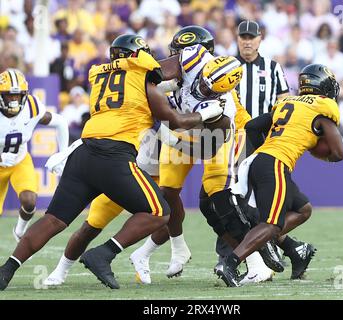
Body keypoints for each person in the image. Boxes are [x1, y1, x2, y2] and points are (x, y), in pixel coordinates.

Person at [0, 34, 224, 291]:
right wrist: (209, 110)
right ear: (136, 56)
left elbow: (148, 97)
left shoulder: (99, 76)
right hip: (114, 156)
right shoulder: (141, 76)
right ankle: (103, 254)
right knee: (160, 212)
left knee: (53, 219)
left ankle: (7, 270)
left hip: (84, 154)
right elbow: (176, 120)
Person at [78, 30, 245, 288]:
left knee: (217, 195)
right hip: (181, 135)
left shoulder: (223, 96)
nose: (174, 58)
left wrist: (179, 129)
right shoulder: (186, 68)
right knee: (166, 194)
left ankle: (256, 259)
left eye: (179, 53)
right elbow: (162, 97)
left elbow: (211, 139)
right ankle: (170, 249)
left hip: (214, 141)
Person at [215, 64, 343, 287]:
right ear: (323, 85)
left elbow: (254, 127)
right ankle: (231, 263)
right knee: (272, 224)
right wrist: (317, 149)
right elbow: (338, 153)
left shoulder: (288, 101)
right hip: (276, 163)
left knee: (303, 209)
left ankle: (295, 252)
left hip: (259, 160)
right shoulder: (324, 107)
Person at [214, 20, 293, 284]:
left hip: (264, 139)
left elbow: (283, 102)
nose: (247, 41)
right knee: (230, 196)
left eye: (252, 37)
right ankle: (231, 254)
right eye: (243, 37)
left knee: (260, 199)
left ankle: (274, 252)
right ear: (237, 39)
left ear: (260, 38)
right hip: (232, 138)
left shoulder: (272, 68)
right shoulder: (227, 66)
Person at [0, 68, 69, 242]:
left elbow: (60, 122)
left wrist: (63, 154)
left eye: (18, 95)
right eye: (10, 95)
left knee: (30, 200)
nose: (14, 100)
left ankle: (20, 232)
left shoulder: (31, 107)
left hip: (19, 161)